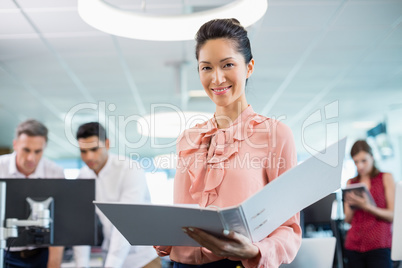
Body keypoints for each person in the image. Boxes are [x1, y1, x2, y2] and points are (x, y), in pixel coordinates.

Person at [154, 18, 301, 268]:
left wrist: (255, 250)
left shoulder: (275, 134)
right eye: (206, 68)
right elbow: (183, 213)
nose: (217, 78)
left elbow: (289, 227)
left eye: (228, 64)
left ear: (250, 67)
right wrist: (164, 234)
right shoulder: (188, 139)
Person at [73, 122, 161, 268]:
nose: (89, 156)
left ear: (107, 144)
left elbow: (126, 222)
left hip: (143, 259)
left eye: (94, 149)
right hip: (109, 255)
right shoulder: (83, 176)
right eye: (83, 151)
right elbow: (82, 225)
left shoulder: (130, 169)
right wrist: (81, 265)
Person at [0, 119, 65, 268]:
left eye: (37, 151)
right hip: (5, 253)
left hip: (41, 255)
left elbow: (60, 226)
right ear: (15, 145)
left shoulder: (55, 173)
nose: (31, 158)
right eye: (26, 150)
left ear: (45, 148)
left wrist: (54, 264)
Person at [343, 140, 395, 268]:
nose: (360, 166)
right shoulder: (351, 183)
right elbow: (348, 220)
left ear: (372, 157)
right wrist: (352, 205)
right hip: (354, 245)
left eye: (363, 161)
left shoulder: (385, 178)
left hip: (379, 245)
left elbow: (392, 215)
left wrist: (368, 207)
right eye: (356, 162)